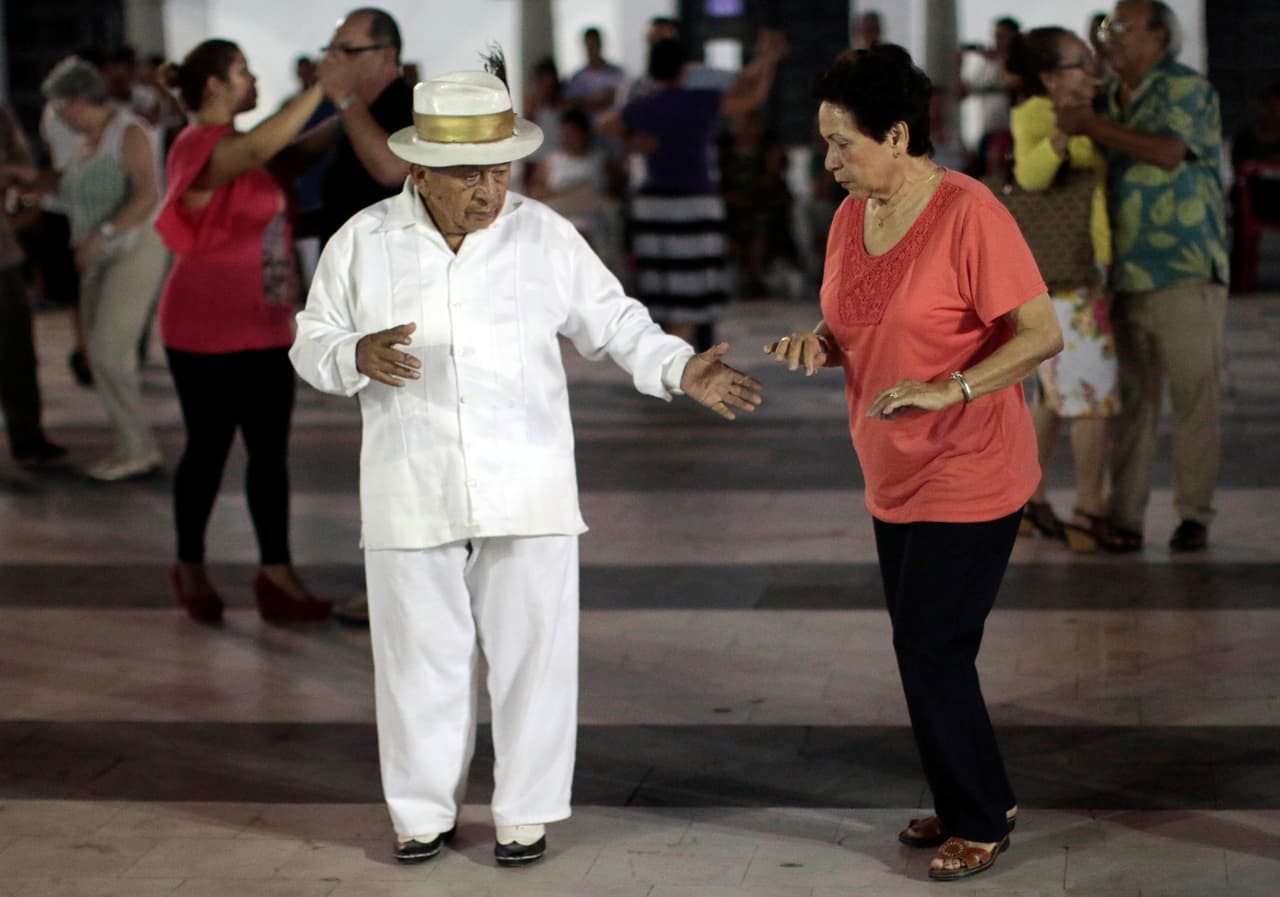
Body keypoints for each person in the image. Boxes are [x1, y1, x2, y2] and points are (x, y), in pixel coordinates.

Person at [290, 66, 763, 867]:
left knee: (534, 653)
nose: (490, 188)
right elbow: (311, 339)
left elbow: (614, 321)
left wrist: (682, 369)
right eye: (470, 173)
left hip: (529, 478)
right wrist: (355, 353)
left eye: (501, 167)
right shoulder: (363, 241)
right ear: (420, 170)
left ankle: (524, 812)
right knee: (416, 656)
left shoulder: (541, 234)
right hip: (412, 480)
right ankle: (420, 813)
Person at [766, 45, 1061, 881]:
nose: (829, 164)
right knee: (926, 645)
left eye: (843, 145)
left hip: (970, 465)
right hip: (889, 468)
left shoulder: (970, 212)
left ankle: (979, 817)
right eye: (824, 144)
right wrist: (820, 343)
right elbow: (859, 321)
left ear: (898, 134)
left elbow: (1041, 333)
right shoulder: (850, 214)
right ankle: (973, 790)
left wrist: (953, 387)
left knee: (931, 644)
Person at [154, 39, 333, 623]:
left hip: (265, 323)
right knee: (207, 449)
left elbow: (294, 152)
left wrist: (354, 102)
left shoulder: (254, 153)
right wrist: (322, 88)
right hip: (203, 326)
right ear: (213, 87)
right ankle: (190, 563)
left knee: (269, 455)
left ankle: (276, 574)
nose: (252, 79)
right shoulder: (197, 145)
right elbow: (259, 146)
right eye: (241, 72)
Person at [1056, 0, 1229, 552]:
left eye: (1123, 29)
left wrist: (1093, 126)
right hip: (1124, 271)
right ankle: (1126, 517)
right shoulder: (1106, 96)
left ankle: (1193, 513)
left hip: (1183, 265)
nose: (1112, 39)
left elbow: (1169, 151)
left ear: (1159, 35)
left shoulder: (1185, 88)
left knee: (1193, 394)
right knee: (1131, 402)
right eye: (1107, 29)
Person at [1007, 27, 1119, 551]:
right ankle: (1089, 510)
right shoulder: (1036, 113)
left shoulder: (1092, 111)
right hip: (1066, 277)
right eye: (1077, 65)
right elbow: (1029, 177)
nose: (1089, 72)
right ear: (1048, 77)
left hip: (1072, 270)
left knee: (1053, 397)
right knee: (1092, 395)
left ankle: (1030, 499)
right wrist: (1066, 132)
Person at [41, 57, 169, 482]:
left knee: (113, 354)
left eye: (61, 107)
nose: (58, 117)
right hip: (96, 256)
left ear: (81, 100)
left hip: (133, 248)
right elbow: (68, 192)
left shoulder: (128, 131)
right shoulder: (84, 142)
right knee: (98, 356)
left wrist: (104, 233)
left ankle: (139, 448)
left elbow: (148, 194)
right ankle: (126, 444)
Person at [619, 31, 788, 348]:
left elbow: (615, 128)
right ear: (684, 69)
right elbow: (752, 98)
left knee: (662, 282)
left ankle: (662, 354)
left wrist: (635, 142)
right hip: (696, 199)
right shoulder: (700, 100)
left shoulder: (641, 106)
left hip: (653, 202)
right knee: (697, 281)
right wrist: (769, 62)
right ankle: (701, 349)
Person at [293, 7, 413, 245]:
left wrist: (344, 95)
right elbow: (295, 154)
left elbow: (392, 170)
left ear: (386, 56)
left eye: (347, 50)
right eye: (330, 51)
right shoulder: (355, 114)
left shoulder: (407, 104)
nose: (332, 61)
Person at [0, 104, 66, 468]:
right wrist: (10, 171)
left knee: (17, 351)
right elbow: (17, 168)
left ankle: (27, 434)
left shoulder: (2, 116)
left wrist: (21, 175)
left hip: (3, 253)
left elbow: (26, 169)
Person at [563, 27, 627, 115]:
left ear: (600, 45)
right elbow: (571, 105)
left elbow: (624, 95)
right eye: (590, 46)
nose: (592, 50)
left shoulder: (617, 73)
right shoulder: (578, 79)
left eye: (595, 45)